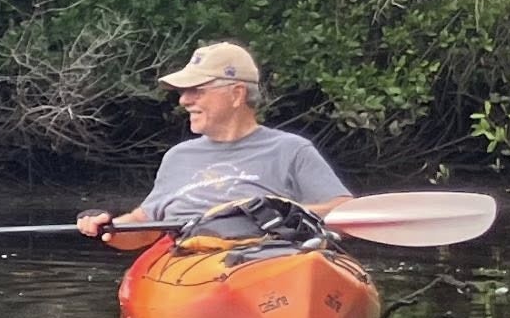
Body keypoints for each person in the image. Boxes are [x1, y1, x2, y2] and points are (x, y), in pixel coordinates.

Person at [77, 41, 351, 244]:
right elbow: (143, 226)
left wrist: (280, 211)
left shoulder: (291, 150)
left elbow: (343, 212)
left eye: (196, 90)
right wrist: (110, 227)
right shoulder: (177, 157)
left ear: (236, 94)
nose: (184, 100)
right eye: (184, 92)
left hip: (271, 255)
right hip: (192, 260)